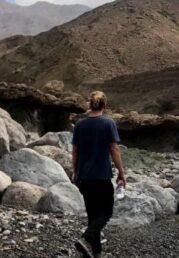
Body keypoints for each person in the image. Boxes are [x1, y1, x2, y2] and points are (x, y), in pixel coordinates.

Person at [72, 91, 126, 258]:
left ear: (90, 104)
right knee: (106, 212)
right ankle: (86, 238)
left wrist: (75, 172)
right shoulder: (108, 123)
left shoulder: (80, 125)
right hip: (101, 176)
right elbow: (114, 149)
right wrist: (121, 172)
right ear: (104, 105)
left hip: (84, 177)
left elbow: (75, 152)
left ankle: (96, 254)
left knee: (93, 215)